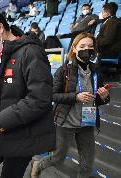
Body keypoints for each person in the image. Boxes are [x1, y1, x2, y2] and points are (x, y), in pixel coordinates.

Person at [0, 7, 55, 178]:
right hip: (2, 130)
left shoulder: (30, 52)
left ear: (0, 28)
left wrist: (2, 120)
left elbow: (40, 98)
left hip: (24, 135)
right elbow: (7, 92)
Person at [30, 32, 110, 178]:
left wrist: (104, 97)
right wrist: (76, 97)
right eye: (83, 46)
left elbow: (97, 99)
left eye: (91, 46)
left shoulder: (96, 70)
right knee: (58, 157)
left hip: (87, 122)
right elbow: (52, 95)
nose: (87, 49)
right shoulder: (63, 70)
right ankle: (38, 165)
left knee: (87, 163)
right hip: (65, 122)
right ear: (74, 48)